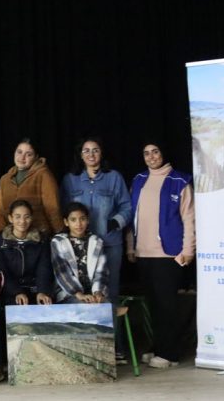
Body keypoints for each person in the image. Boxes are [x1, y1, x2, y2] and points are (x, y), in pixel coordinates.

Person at [60, 137, 132, 362]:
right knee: (84, 293)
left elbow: (127, 207)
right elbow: (64, 208)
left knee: (108, 293)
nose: (91, 155)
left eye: (95, 150)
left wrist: (116, 222)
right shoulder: (71, 180)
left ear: (102, 154)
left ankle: (115, 348)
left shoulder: (114, 178)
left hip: (109, 243)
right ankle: (90, 347)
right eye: (86, 151)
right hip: (79, 247)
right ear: (80, 155)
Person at [126, 141, 195, 369]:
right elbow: (131, 219)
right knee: (153, 306)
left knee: (167, 306)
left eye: (155, 151)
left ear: (163, 153)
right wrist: (130, 247)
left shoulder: (180, 181)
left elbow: (189, 219)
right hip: (143, 254)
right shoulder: (138, 180)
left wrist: (188, 251)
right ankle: (158, 348)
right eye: (146, 153)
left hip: (169, 255)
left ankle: (170, 355)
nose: (151, 156)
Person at [0, 199, 53, 380]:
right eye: (17, 217)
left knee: (45, 306)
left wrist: (42, 290)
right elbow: (2, 271)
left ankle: (41, 363)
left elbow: (44, 267)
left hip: (33, 287)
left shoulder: (40, 241)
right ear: (10, 218)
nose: (22, 221)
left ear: (31, 218)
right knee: (11, 311)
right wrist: (16, 291)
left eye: (26, 217)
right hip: (10, 290)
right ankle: (10, 363)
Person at [0, 138, 63, 238]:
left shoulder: (43, 175)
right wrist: (0, 234)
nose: (22, 157)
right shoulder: (5, 179)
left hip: (38, 235)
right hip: (12, 236)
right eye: (19, 152)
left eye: (28, 154)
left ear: (36, 157)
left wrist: (59, 233)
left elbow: (52, 207)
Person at [50, 202, 108, 304]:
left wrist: (98, 292)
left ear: (88, 220)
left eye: (82, 219)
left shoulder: (97, 242)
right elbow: (62, 272)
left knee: (106, 308)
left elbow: (101, 271)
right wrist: (78, 294)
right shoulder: (58, 242)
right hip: (69, 293)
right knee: (84, 307)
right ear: (66, 222)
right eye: (73, 220)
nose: (79, 224)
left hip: (92, 293)